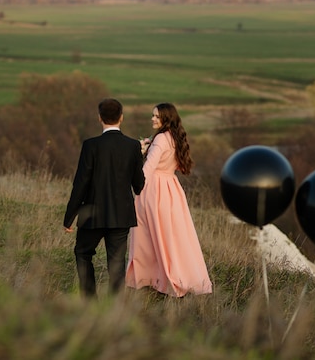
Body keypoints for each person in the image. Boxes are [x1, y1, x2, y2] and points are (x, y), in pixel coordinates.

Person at [125, 102, 213, 297]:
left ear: (166, 118)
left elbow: (148, 169)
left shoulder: (160, 140)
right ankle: (171, 275)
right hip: (171, 188)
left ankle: (151, 278)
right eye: (153, 116)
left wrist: (135, 183)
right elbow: (179, 166)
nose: (152, 119)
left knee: (147, 235)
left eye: (156, 116)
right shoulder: (175, 138)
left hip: (153, 190)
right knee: (172, 235)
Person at [63, 98, 145, 298]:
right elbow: (139, 185)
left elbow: (80, 183)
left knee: (83, 253)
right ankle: (114, 308)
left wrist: (69, 216)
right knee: (116, 262)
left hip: (92, 214)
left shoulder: (90, 145)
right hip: (121, 214)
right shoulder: (133, 146)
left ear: (100, 118)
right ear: (121, 118)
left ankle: (89, 300)